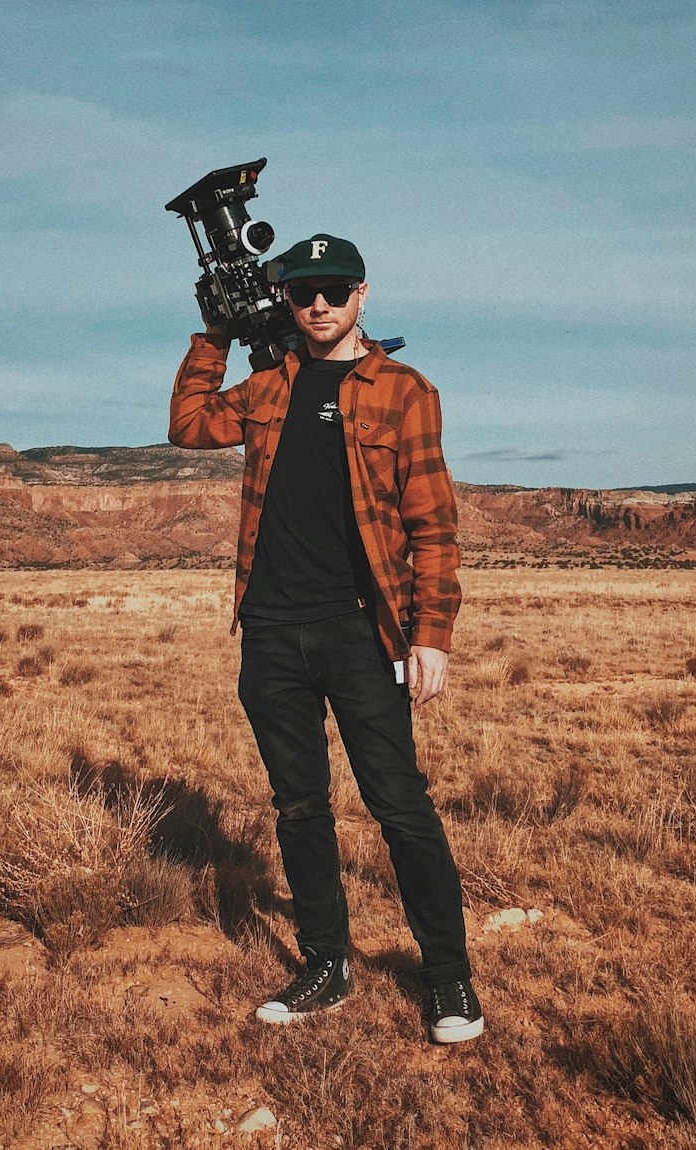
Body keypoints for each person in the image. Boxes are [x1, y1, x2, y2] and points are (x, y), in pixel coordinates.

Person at [169, 233, 482, 1043]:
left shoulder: (405, 392)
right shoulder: (267, 386)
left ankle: (448, 980)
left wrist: (431, 634)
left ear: (362, 296)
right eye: (304, 291)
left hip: (358, 630)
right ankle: (325, 964)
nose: (319, 303)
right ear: (288, 300)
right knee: (299, 807)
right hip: (269, 630)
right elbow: (188, 425)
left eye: (335, 290)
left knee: (400, 804)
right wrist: (212, 336)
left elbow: (434, 525)